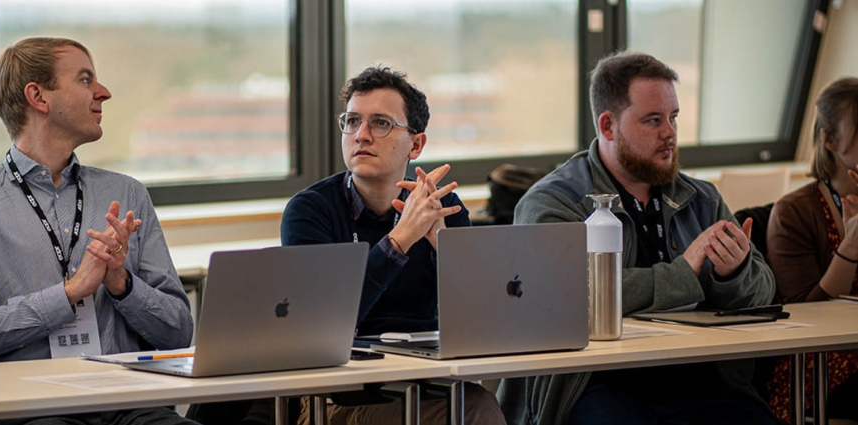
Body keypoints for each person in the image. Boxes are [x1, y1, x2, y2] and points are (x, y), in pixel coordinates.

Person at [0, 37, 197, 425]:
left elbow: (179, 334)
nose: (104, 92)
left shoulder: (126, 193)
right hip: (29, 410)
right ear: (38, 96)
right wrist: (68, 294)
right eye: (85, 80)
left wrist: (122, 284)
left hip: (131, 407)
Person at [498, 51, 776, 425]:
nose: (670, 133)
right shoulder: (553, 202)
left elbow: (764, 293)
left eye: (673, 117)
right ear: (608, 126)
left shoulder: (702, 198)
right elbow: (560, 296)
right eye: (653, 120)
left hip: (700, 382)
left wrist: (734, 273)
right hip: (595, 387)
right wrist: (685, 273)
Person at [280, 66, 505, 425]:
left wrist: (446, 251)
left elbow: (485, 323)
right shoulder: (310, 211)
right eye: (352, 121)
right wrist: (399, 242)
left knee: (474, 402)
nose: (362, 135)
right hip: (335, 396)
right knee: (473, 411)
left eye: (380, 123)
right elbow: (322, 322)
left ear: (416, 144)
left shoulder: (442, 207)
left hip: (425, 382)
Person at [766, 76, 858, 423]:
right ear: (830, 139)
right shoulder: (793, 212)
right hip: (819, 365)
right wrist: (850, 247)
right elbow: (806, 313)